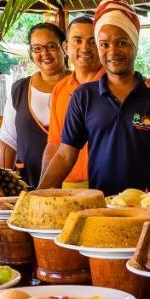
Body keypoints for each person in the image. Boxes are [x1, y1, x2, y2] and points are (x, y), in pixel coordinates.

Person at [38, 0, 150, 195]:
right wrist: (37, 195)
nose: (112, 51)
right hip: (100, 206)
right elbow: (65, 155)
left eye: (122, 42)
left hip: (146, 206)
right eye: (104, 44)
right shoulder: (84, 97)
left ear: (135, 44)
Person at [0, 22, 68, 188]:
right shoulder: (19, 89)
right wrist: (4, 183)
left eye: (51, 46)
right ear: (30, 53)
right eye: (37, 48)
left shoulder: (81, 86)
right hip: (28, 182)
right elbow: (8, 141)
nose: (44, 53)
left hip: (74, 183)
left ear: (64, 48)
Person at [42, 16, 105, 189]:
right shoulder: (60, 89)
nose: (85, 48)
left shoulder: (115, 84)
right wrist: (41, 191)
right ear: (65, 47)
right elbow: (54, 144)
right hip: (67, 186)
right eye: (78, 40)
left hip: (107, 187)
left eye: (93, 41)